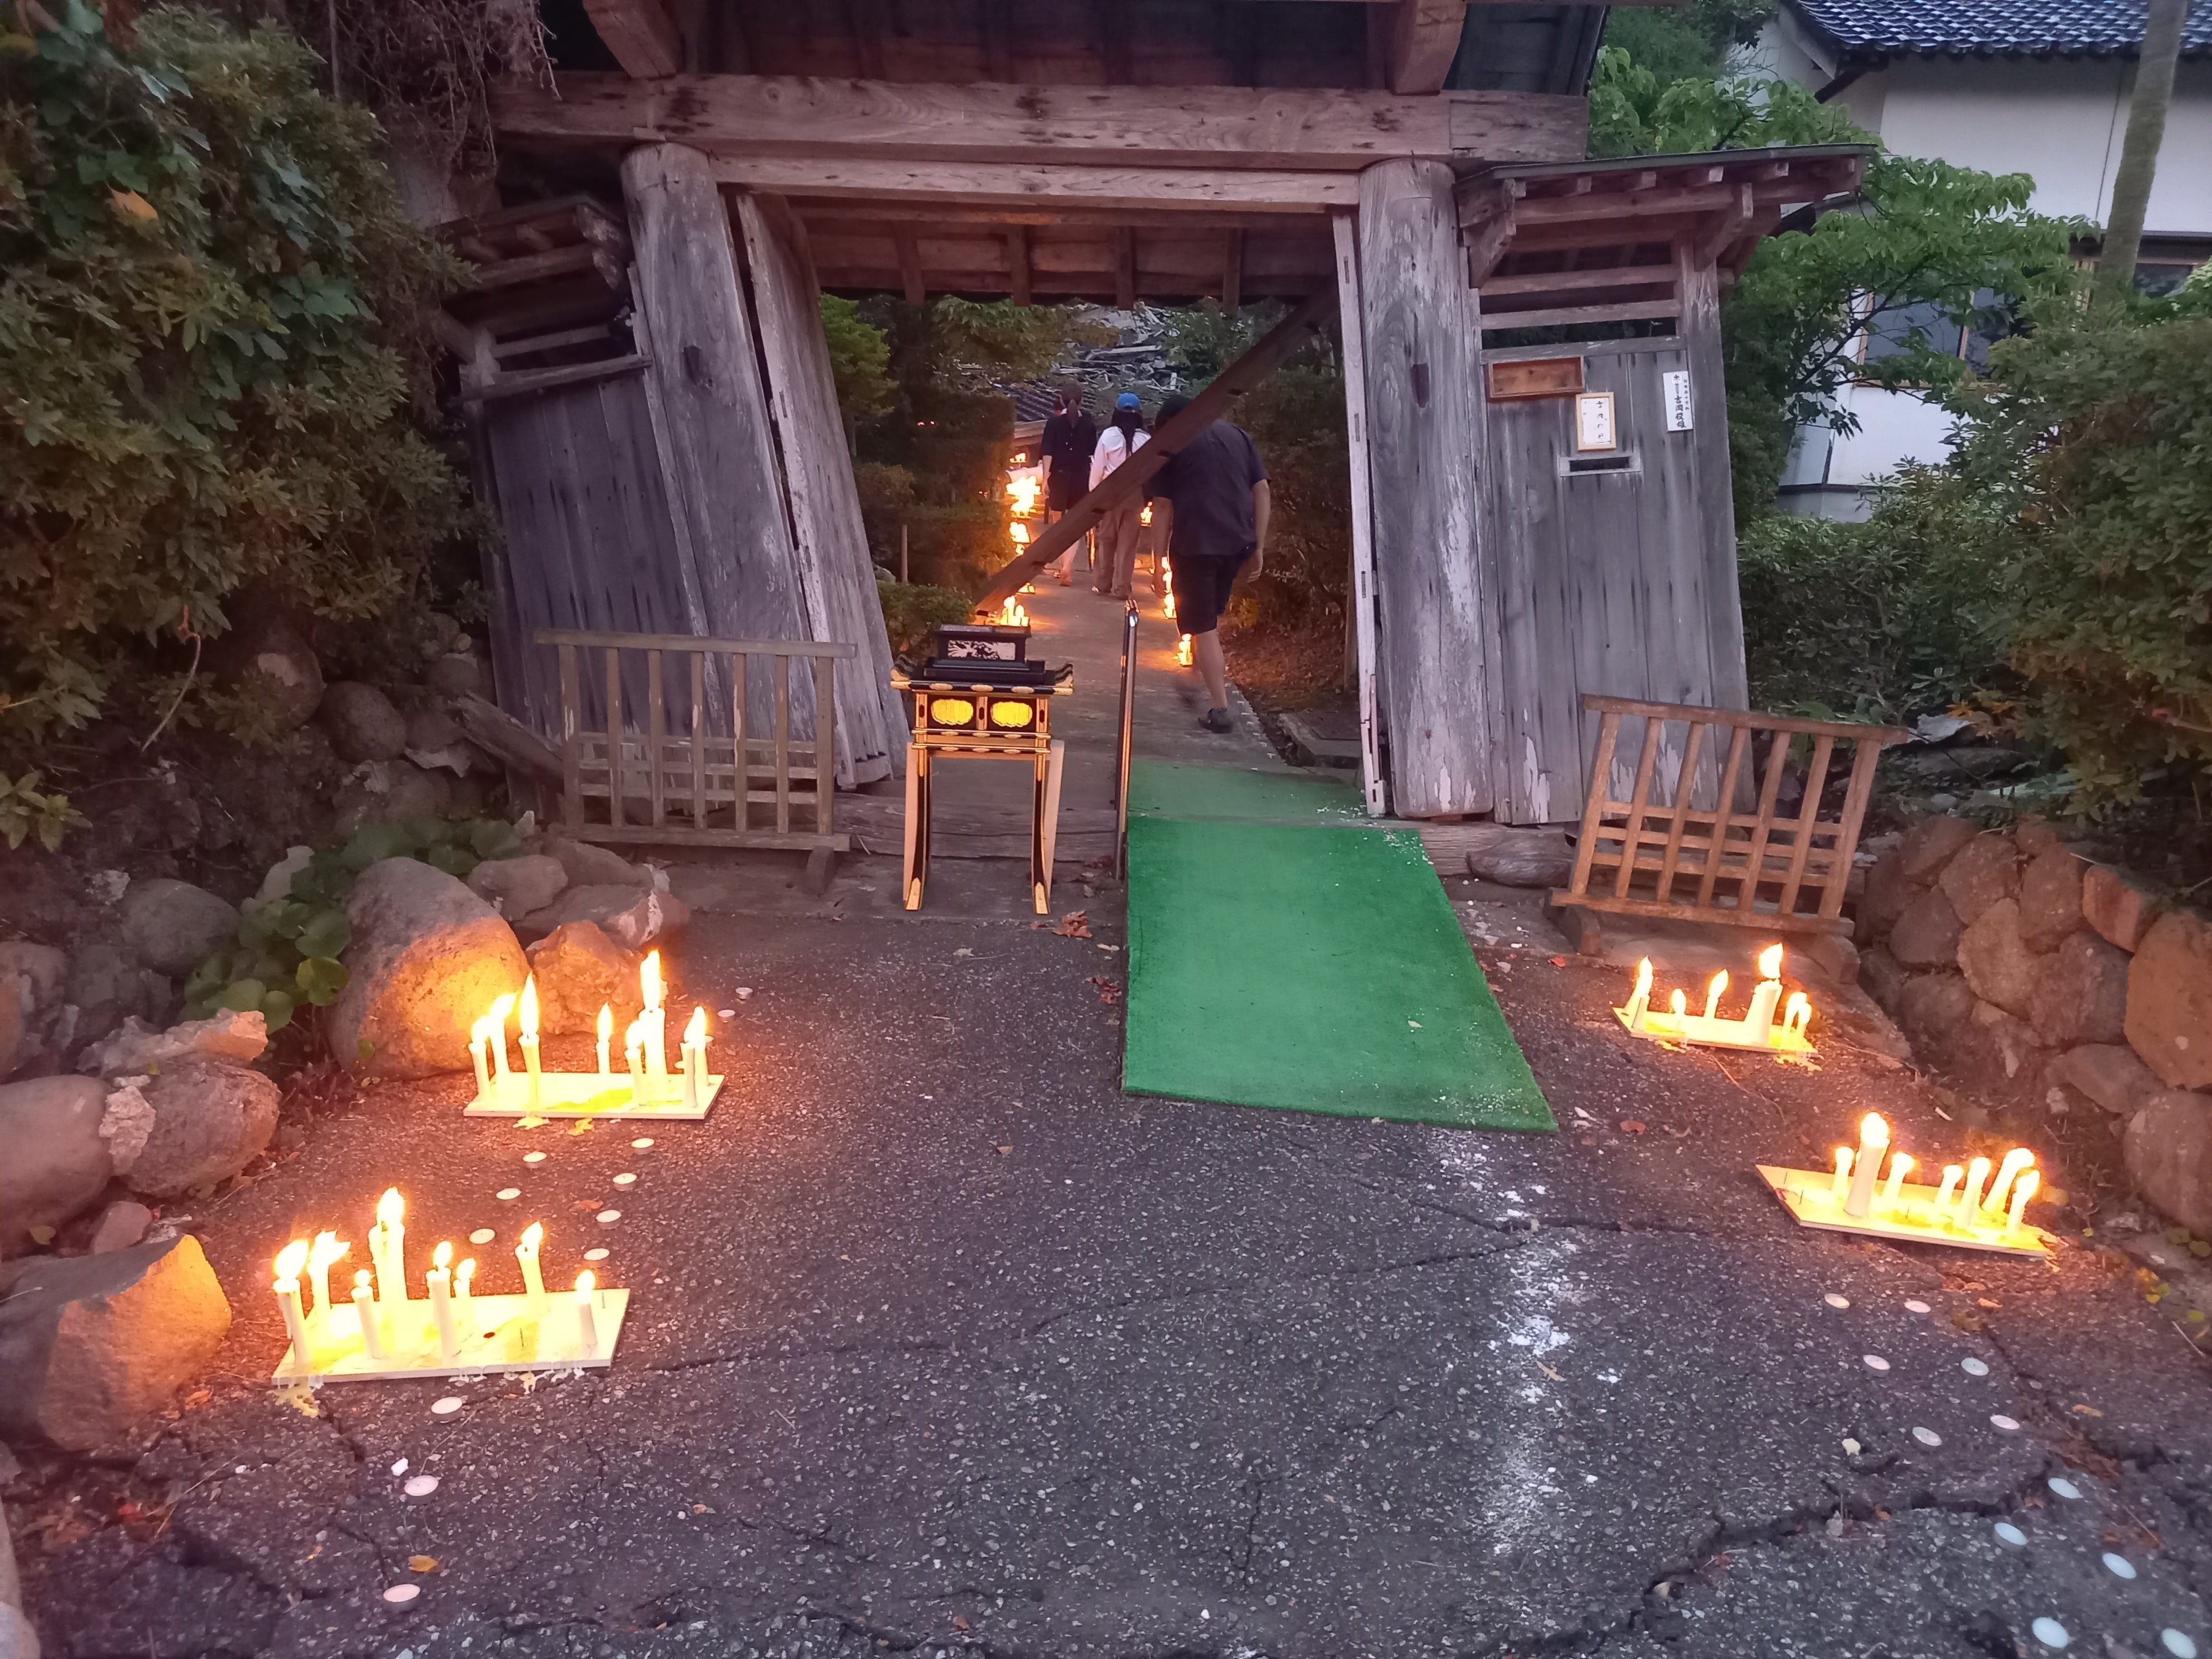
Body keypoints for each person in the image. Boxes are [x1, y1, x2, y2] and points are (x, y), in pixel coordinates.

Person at [1145, 393, 1269, 733]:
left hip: (1196, 543)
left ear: (1169, 423)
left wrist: (1158, 562)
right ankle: (1199, 674)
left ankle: (1220, 708)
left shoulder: (1175, 441)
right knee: (1207, 617)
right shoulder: (1237, 434)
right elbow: (1262, 490)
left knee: (1203, 625)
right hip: (1237, 541)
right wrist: (1259, 545)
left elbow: (1162, 507)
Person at [1088, 392, 1149, 598]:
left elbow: (1097, 468)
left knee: (1106, 539)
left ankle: (1102, 583)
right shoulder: (1146, 439)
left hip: (1110, 493)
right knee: (1128, 543)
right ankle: (1122, 588)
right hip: (1135, 494)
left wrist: (1094, 498)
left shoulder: (1108, 436)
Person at [1037, 388, 1097, 586]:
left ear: (1061, 402)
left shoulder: (1053, 423)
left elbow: (1048, 453)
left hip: (1059, 478)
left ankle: (1063, 566)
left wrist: (1045, 479)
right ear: (1081, 402)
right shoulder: (1089, 424)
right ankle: (1067, 567)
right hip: (1081, 478)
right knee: (1075, 527)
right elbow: (1092, 453)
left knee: (1059, 525)